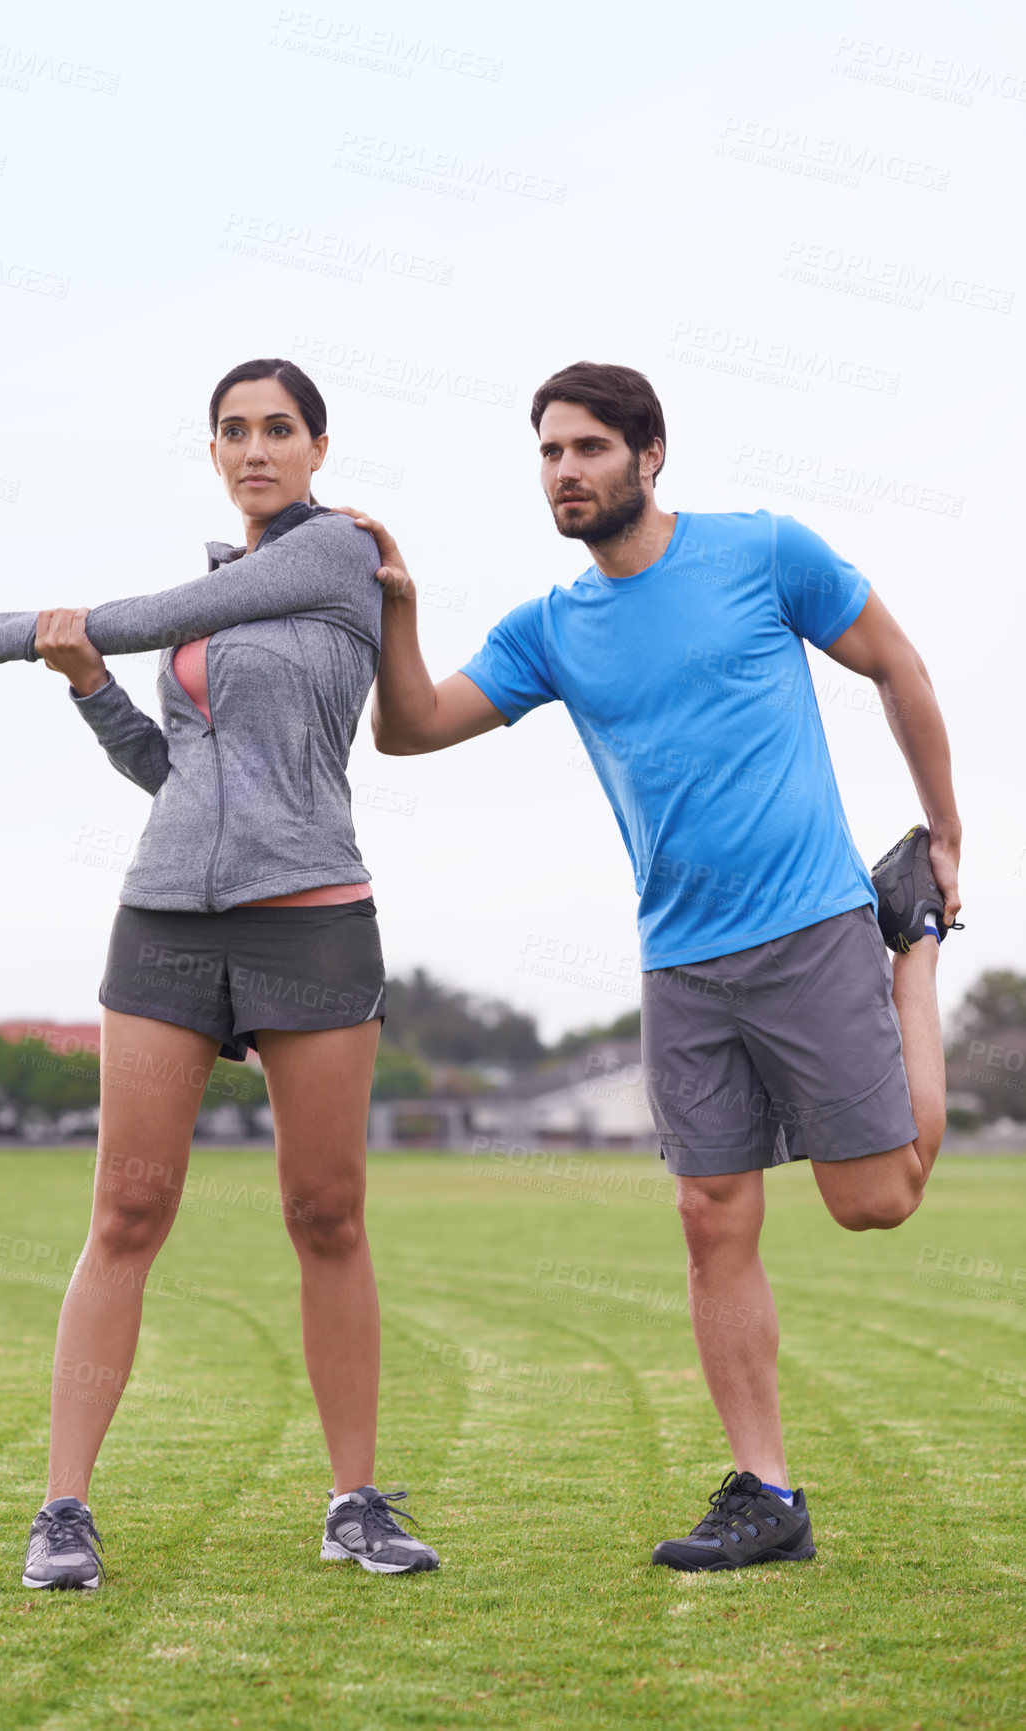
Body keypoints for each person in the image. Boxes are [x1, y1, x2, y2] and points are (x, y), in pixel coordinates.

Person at [350, 359, 962, 1572]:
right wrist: (398, 611)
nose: (563, 472)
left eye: (585, 448)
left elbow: (900, 666)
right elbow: (410, 729)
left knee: (873, 1201)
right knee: (708, 1216)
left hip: (814, 926)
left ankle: (918, 959)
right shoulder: (550, 630)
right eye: (547, 453)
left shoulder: (765, 553)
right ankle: (767, 1492)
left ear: (650, 453)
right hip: (680, 960)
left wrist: (943, 837)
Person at [0, 357, 440, 1586]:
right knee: (127, 1213)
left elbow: (144, 616)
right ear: (212, 453)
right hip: (166, 922)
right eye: (233, 432)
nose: (257, 448)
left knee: (327, 1215)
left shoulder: (337, 555)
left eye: (279, 429)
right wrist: (87, 685)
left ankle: (355, 1499)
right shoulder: (219, 588)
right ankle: (63, 1512)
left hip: (309, 918)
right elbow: (172, 771)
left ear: (316, 447)